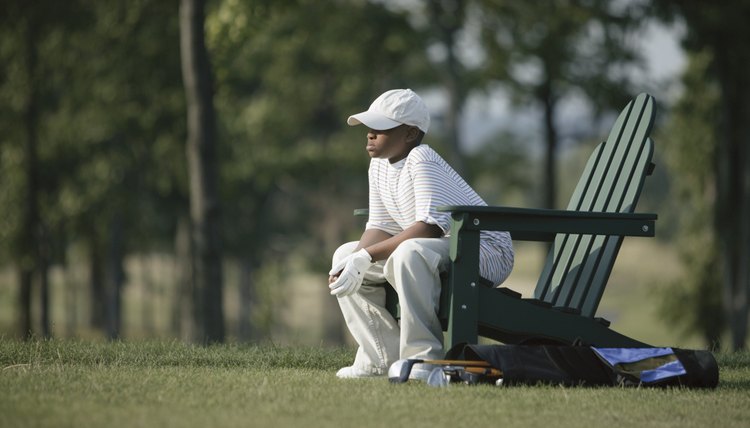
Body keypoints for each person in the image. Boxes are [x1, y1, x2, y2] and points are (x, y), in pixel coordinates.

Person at [328, 88, 514, 379]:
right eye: (369, 128)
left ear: (411, 134)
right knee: (343, 255)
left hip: (485, 249)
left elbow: (429, 226)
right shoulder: (377, 166)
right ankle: (380, 359)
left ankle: (423, 361)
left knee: (409, 251)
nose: (370, 134)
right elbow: (379, 226)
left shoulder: (422, 158)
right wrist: (354, 260)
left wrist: (366, 256)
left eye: (381, 128)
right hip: (443, 247)